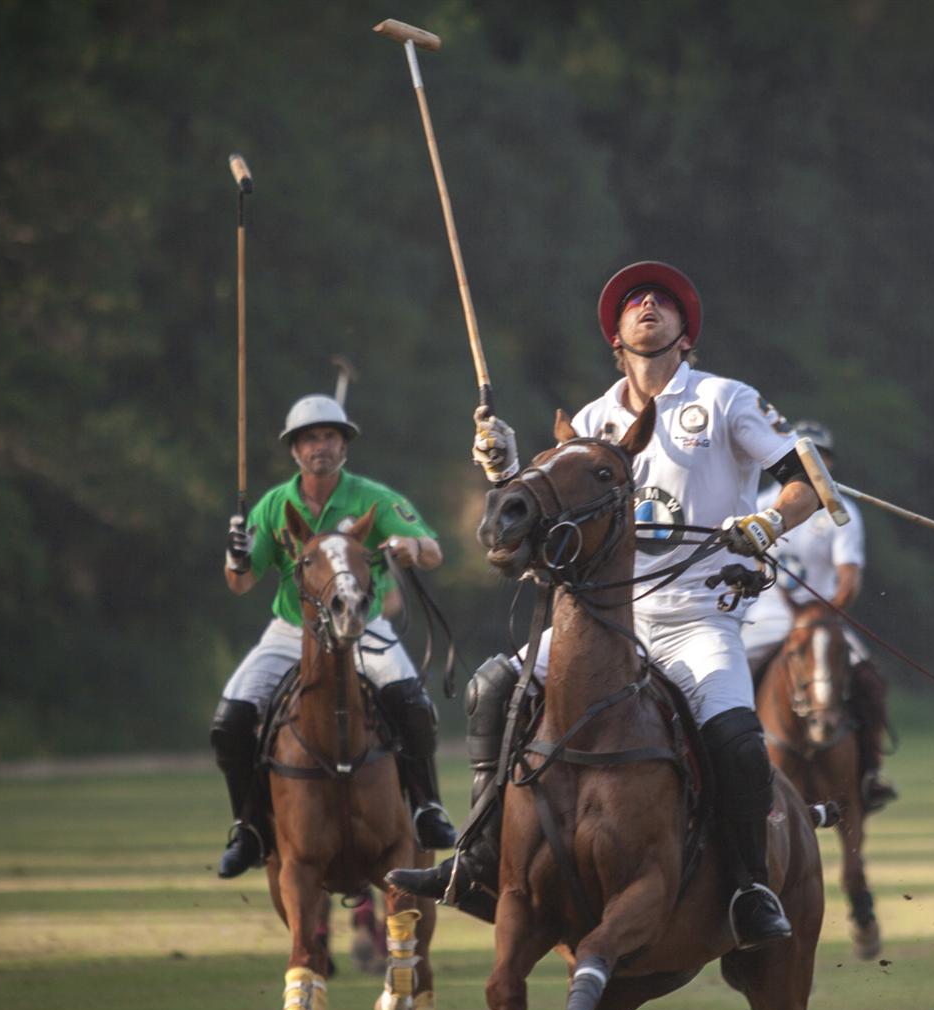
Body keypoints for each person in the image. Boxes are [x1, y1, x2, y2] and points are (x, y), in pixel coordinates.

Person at [406, 262, 823, 950]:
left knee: (738, 739)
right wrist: (504, 467)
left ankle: (750, 885)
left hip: (697, 617)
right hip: (604, 622)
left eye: (662, 300)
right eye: (634, 301)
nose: (648, 303)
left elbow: (805, 481)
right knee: (492, 686)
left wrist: (769, 523)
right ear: (616, 337)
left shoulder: (724, 399)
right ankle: (480, 859)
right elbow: (542, 520)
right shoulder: (593, 419)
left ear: (685, 333)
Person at [210, 393, 457, 878]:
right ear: (294, 451)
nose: (319, 446)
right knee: (230, 721)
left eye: (329, 436)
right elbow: (241, 583)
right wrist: (234, 556)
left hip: (362, 626)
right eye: (308, 439)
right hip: (291, 632)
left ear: (344, 447)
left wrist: (410, 545)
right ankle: (249, 827)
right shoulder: (273, 507)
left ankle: (427, 808)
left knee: (411, 700)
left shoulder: (373, 498)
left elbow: (433, 551)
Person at [739, 421, 899, 811]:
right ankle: (730, 774)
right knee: (729, 685)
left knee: (870, 682)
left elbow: (849, 580)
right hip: (765, 619)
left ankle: (869, 774)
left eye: (821, 459)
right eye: (805, 458)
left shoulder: (842, 514)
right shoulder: (759, 507)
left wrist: (820, 613)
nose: (815, 465)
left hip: (822, 622)